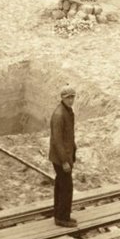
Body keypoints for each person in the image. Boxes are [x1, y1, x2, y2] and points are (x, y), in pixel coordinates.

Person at [49, 87, 78, 227]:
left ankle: (59, 214)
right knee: (67, 187)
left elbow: (68, 136)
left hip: (65, 156)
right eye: (68, 98)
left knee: (61, 185)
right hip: (61, 158)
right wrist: (64, 161)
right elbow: (57, 140)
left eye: (73, 97)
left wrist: (73, 150)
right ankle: (62, 218)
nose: (71, 100)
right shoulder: (59, 115)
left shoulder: (67, 111)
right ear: (63, 98)